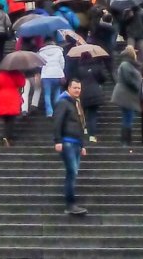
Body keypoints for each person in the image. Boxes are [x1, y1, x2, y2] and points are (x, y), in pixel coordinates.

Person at [52, 78, 90, 215]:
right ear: (69, 88)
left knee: (73, 173)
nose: (77, 90)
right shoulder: (63, 103)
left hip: (76, 143)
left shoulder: (76, 104)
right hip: (67, 142)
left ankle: (71, 204)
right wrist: (57, 140)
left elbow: (80, 125)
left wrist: (82, 144)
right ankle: (70, 204)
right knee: (71, 172)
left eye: (79, 88)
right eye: (75, 88)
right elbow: (57, 121)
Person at [112, 46, 143, 150]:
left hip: (127, 95)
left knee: (128, 117)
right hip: (126, 95)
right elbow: (129, 79)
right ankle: (126, 140)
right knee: (128, 117)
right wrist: (138, 85)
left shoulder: (127, 64)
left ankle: (126, 140)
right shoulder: (125, 65)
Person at [73, 52, 109, 142]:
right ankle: (92, 136)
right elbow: (104, 78)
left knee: (82, 114)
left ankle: (83, 131)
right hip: (95, 93)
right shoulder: (96, 66)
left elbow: (74, 79)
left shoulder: (78, 68)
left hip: (82, 93)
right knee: (93, 115)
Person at [0, 67, 26, 145]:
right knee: (11, 119)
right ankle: (7, 137)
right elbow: (22, 83)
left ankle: (7, 137)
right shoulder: (17, 74)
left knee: (6, 119)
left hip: (2, 97)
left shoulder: (0, 75)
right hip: (13, 97)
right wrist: (21, 75)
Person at [37, 38, 66, 116]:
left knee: (47, 94)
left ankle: (49, 112)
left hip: (46, 75)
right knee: (57, 92)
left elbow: (39, 65)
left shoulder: (41, 52)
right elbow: (62, 63)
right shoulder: (59, 51)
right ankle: (57, 110)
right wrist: (60, 70)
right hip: (57, 74)